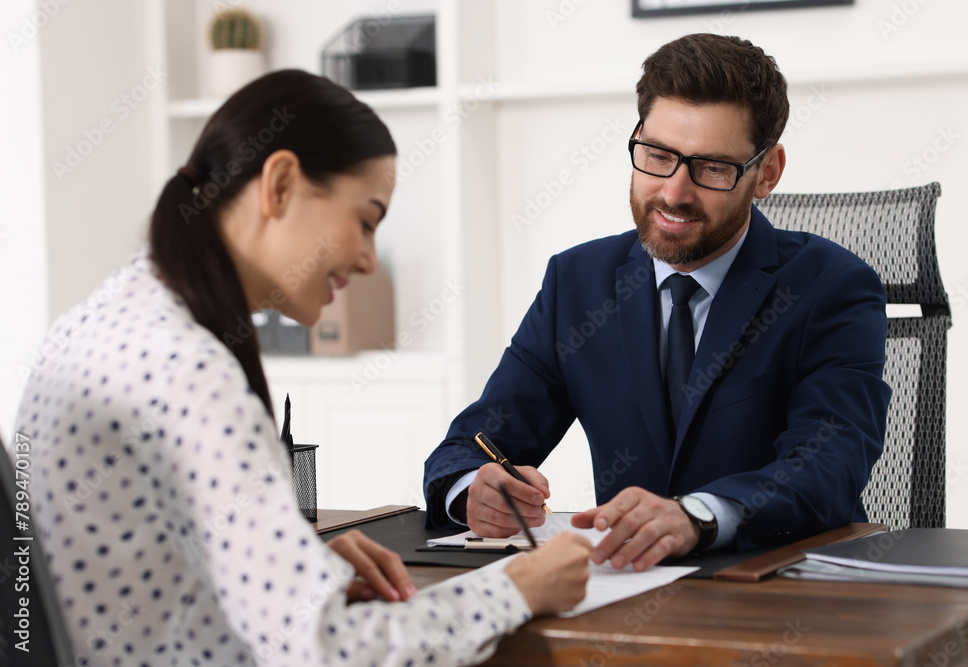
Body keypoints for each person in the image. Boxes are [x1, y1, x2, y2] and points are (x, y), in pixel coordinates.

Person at [11, 69, 591, 667]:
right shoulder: (189, 369)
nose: (368, 259)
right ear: (281, 183)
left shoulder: (98, 322)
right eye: (365, 221)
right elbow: (324, 651)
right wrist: (515, 589)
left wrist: (297, 566)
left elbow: (126, 569)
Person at [423, 33, 892, 571]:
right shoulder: (577, 283)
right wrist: (473, 490)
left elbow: (827, 466)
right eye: (657, 156)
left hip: (780, 594)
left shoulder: (832, 287)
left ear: (767, 172)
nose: (673, 192)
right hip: (622, 593)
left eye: (713, 167)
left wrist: (696, 516)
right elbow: (472, 444)